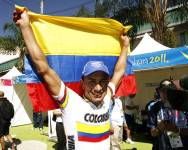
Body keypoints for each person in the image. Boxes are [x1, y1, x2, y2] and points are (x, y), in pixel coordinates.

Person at [14, 9, 130, 150]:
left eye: (102, 82)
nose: (98, 88)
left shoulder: (107, 98)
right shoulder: (70, 102)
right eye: (92, 81)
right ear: (82, 83)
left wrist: (125, 46)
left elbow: (119, 72)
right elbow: (43, 69)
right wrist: (25, 26)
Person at [147, 79, 188, 150]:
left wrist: (178, 130)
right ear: (159, 92)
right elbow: (152, 133)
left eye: (169, 90)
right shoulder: (154, 108)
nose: (166, 93)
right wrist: (159, 128)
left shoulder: (185, 105)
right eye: (163, 90)